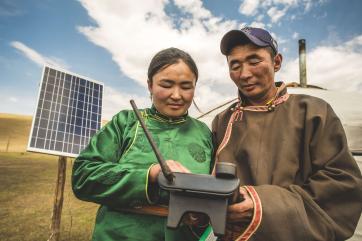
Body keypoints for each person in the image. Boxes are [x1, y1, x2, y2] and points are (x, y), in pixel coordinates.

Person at [211, 27, 362, 241]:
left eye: (254, 61)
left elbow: (343, 185)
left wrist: (262, 205)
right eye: (235, 65)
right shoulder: (222, 121)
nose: (244, 73)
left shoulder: (313, 112)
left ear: (277, 62)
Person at [72, 47, 213, 241]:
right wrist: (151, 175)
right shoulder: (126, 123)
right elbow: (83, 176)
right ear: (150, 85)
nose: (176, 95)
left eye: (186, 87)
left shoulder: (204, 133)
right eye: (166, 84)